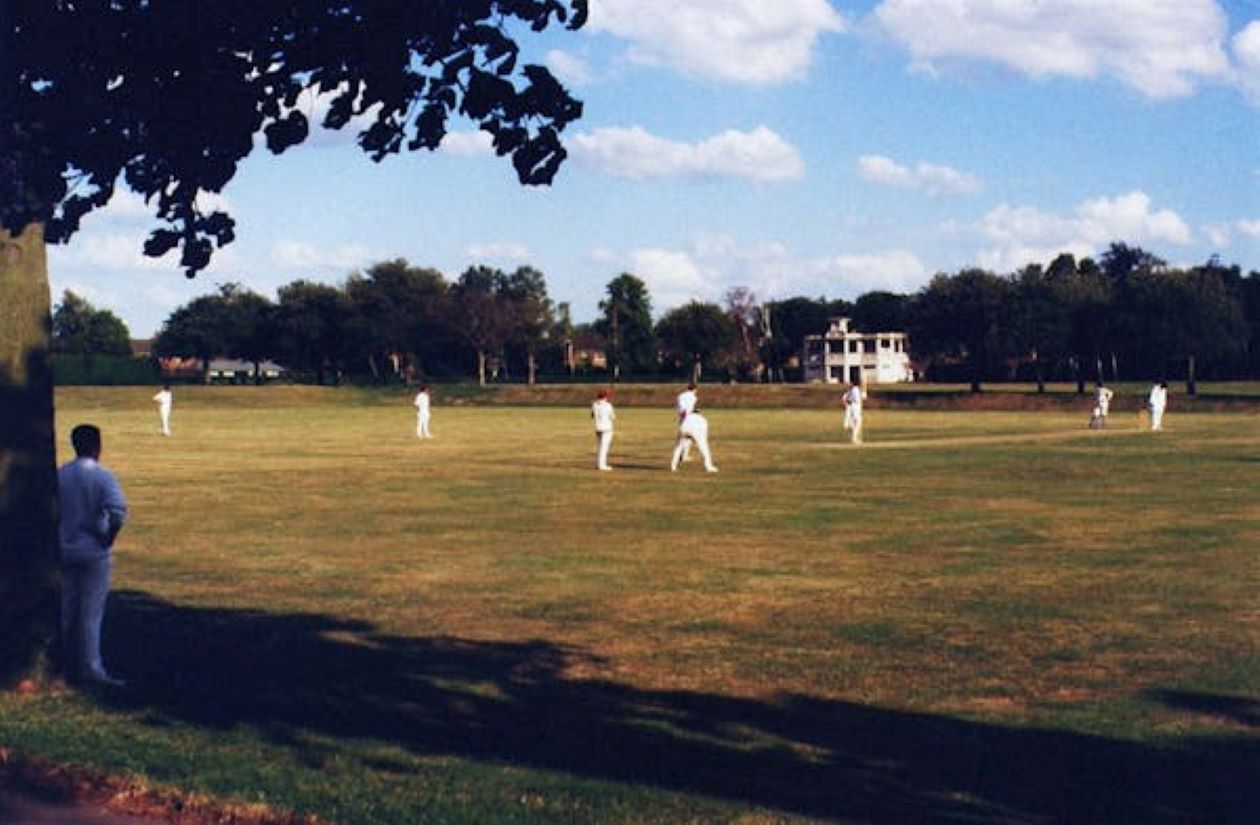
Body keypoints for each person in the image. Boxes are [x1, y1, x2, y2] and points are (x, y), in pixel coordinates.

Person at [57, 424, 128, 687]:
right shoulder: (102, 476)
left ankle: (58, 663)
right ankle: (91, 667)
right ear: (98, 446)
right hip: (93, 550)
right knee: (91, 613)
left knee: (64, 609)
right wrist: (108, 537)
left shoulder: (61, 474)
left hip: (64, 547)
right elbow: (118, 511)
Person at [671, 408, 718, 473]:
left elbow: (681, 425)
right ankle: (709, 467)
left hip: (684, 428)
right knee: (704, 449)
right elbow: (704, 433)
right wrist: (698, 440)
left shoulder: (687, 417)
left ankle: (673, 466)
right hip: (696, 431)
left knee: (678, 447)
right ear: (699, 413)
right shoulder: (702, 419)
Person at [591, 388, 615, 471]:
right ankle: (602, 465)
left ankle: (600, 464)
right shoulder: (608, 405)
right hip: (607, 428)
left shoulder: (594, 404)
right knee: (604, 447)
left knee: (600, 447)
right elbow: (613, 417)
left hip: (598, 428)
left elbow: (592, 416)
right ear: (605, 397)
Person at [674, 382, 698, 463]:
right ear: (695, 389)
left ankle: (681, 455)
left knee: (683, 437)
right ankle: (684, 455)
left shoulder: (680, 395)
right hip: (688, 418)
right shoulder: (693, 397)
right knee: (689, 437)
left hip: (681, 417)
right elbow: (689, 408)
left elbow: (679, 406)